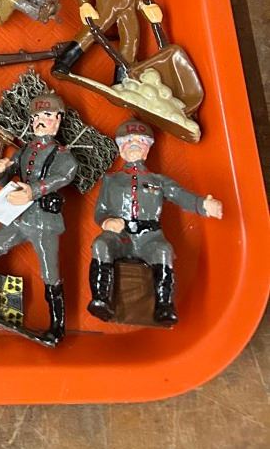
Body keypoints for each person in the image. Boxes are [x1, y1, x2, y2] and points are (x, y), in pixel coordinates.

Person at [0, 91, 77, 345]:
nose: (40, 121)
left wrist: (33, 190)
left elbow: (65, 175)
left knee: (50, 272)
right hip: (19, 218)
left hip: (43, 222)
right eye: (36, 117)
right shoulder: (24, 151)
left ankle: (57, 326)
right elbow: (5, 181)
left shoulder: (62, 155)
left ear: (58, 120)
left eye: (46, 116)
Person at [88, 119, 222, 325]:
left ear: (147, 149)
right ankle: (101, 298)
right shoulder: (111, 181)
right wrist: (107, 221)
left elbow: (180, 195)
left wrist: (202, 204)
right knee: (101, 245)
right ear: (121, 148)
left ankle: (164, 305)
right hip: (120, 236)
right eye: (129, 141)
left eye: (141, 141)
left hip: (149, 237)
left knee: (164, 250)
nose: (134, 144)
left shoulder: (159, 181)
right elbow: (100, 211)